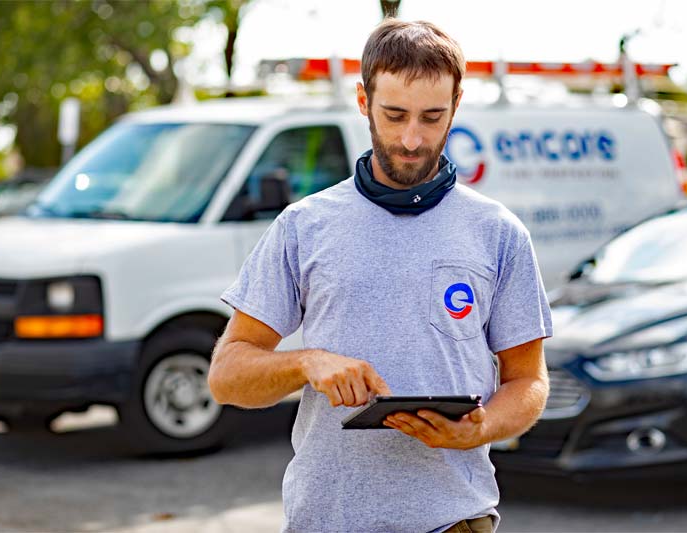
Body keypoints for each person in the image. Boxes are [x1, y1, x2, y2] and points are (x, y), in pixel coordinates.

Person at [208, 19, 553, 533]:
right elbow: (226, 377)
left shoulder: (498, 232)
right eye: (394, 115)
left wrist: (481, 429)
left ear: (456, 105)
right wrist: (308, 363)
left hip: (454, 522)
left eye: (432, 118)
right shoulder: (304, 226)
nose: (412, 139)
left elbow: (528, 381)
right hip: (325, 521)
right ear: (364, 100)